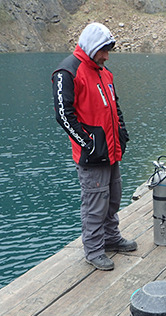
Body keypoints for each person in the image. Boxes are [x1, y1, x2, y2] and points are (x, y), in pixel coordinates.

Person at [52, 22, 137, 272]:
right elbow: (63, 115)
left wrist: (122, 134)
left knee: (113, 198)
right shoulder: (67, 72)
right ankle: (93, 250)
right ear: (92, 47)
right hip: (93, 155)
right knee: (94, 203)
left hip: (111, 151)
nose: (106, 56)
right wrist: (88, 144)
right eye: (103, 50)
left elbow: (114, 106)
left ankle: (111, 238)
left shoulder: (104, 72)